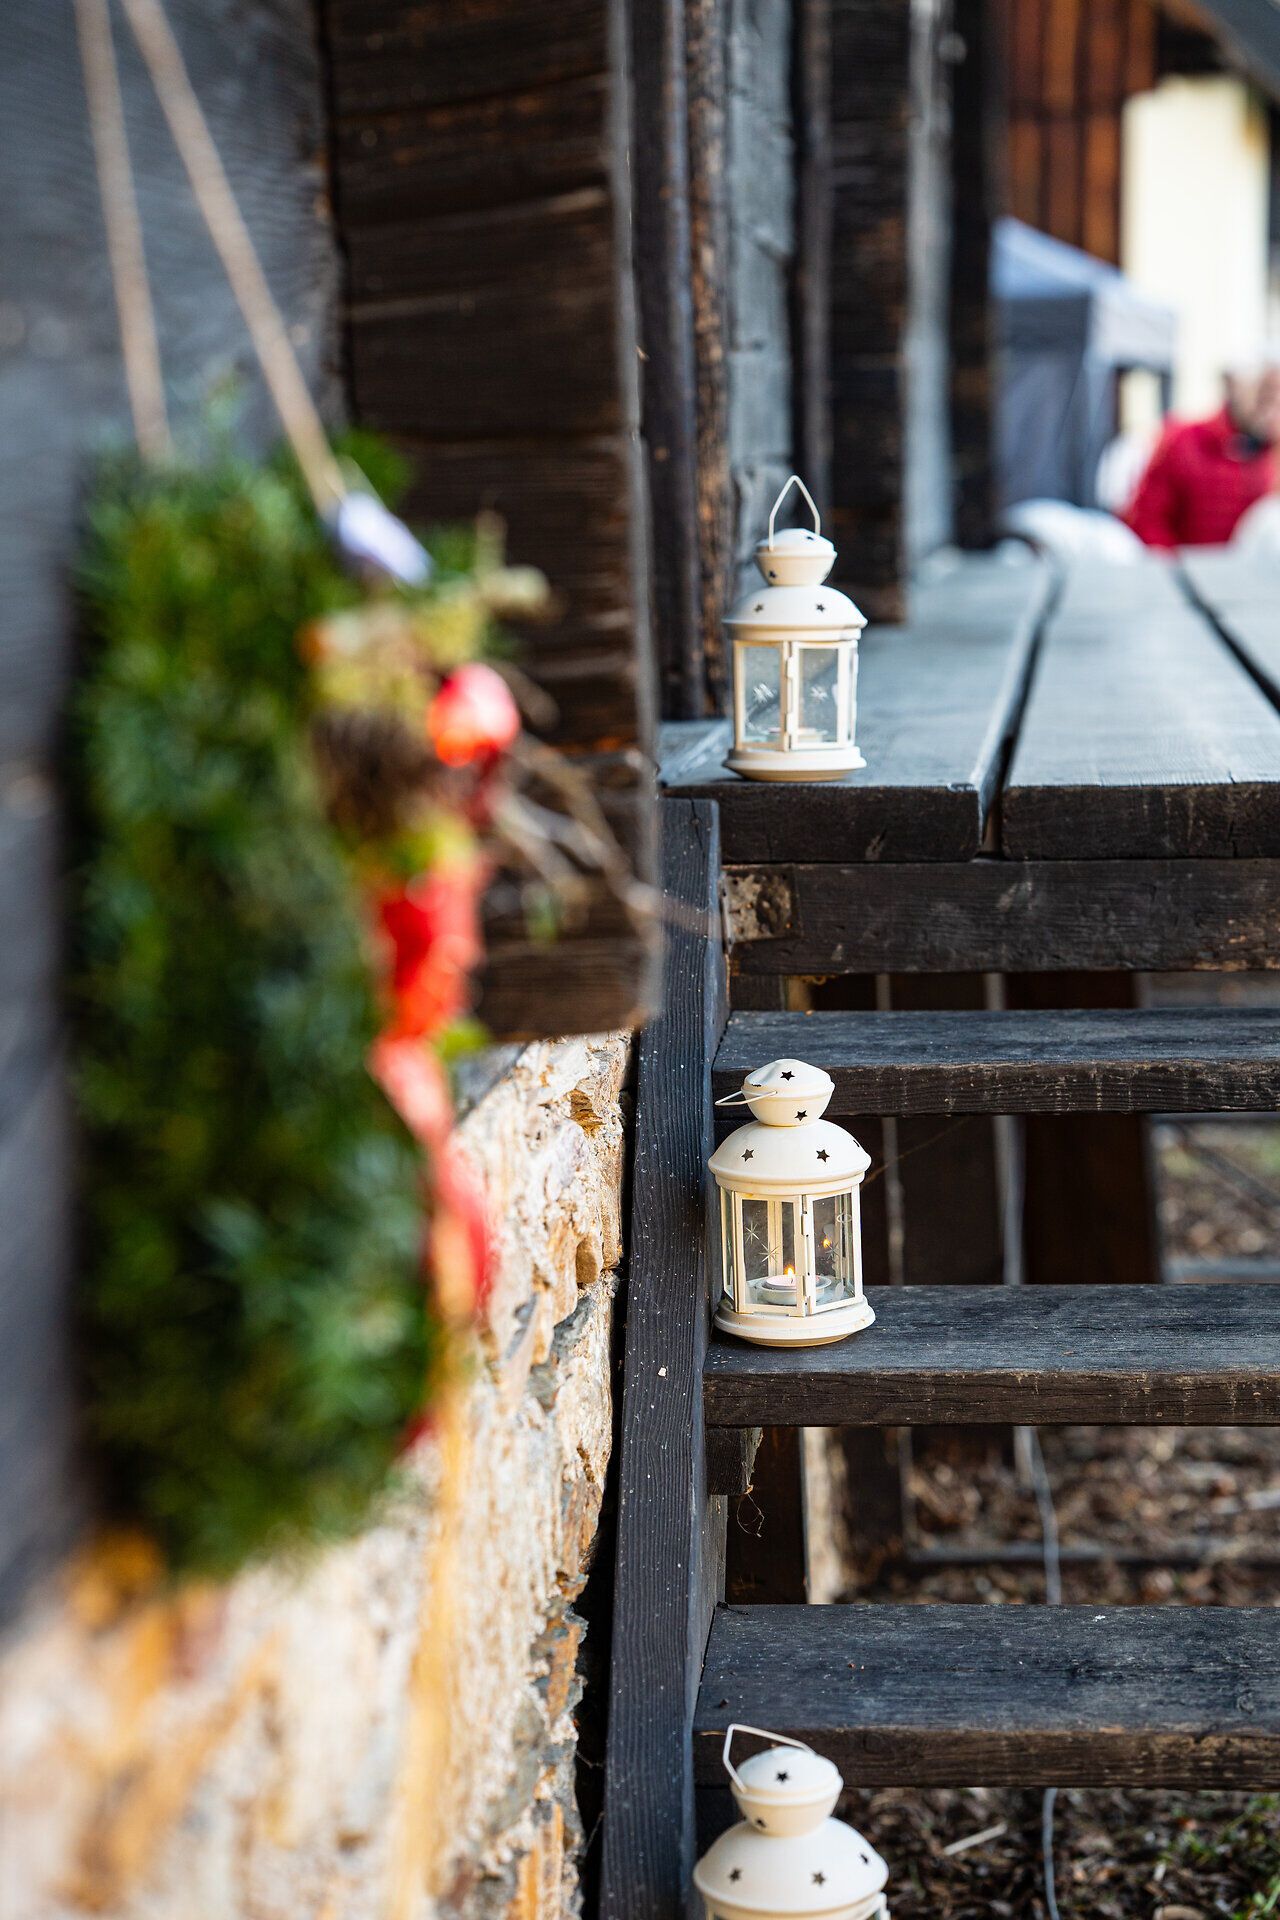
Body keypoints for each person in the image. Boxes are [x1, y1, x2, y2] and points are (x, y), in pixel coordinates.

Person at [1122, 364, 1280, 549]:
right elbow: (1146, 519)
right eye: (1267, 395)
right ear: (1236, 386)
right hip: (1187, 567)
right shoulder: (1184, 440)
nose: (1273, 410)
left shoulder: (1271, 455)